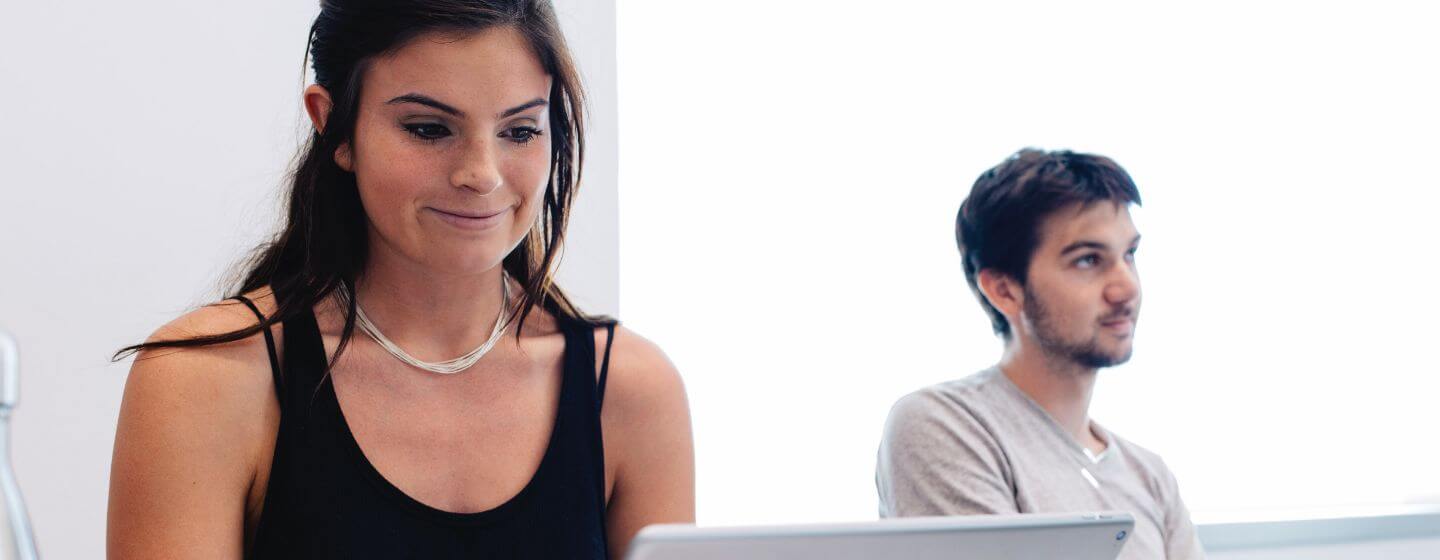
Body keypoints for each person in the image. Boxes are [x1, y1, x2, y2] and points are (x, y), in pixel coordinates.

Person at [107, 2, 694, 558]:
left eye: (519, 131)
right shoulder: (208, 379)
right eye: (428, 128)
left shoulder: (629, 390)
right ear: (334, 126)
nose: (481, 175)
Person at [876, 149, 1204, 559]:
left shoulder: (1151, 477)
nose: (1126, 288)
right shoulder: (944, 427)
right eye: (1087, 260)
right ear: (1004, 290)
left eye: (1129, 255)